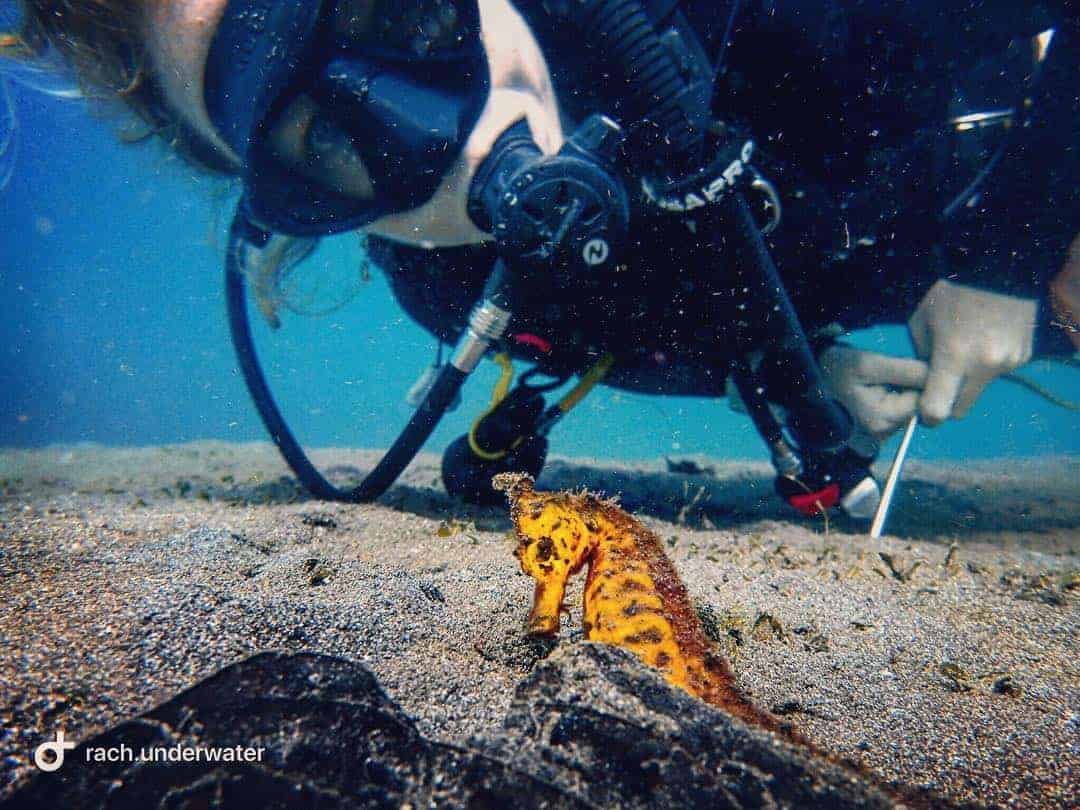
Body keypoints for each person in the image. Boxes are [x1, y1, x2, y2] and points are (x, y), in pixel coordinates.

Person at [4, 0, 1076, 512]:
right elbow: (672, 332)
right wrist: (808, 360)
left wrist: (1018, 244)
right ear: (278, 204)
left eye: (390, 9)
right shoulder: (454, 285)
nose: (438, 131)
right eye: (322, 138)